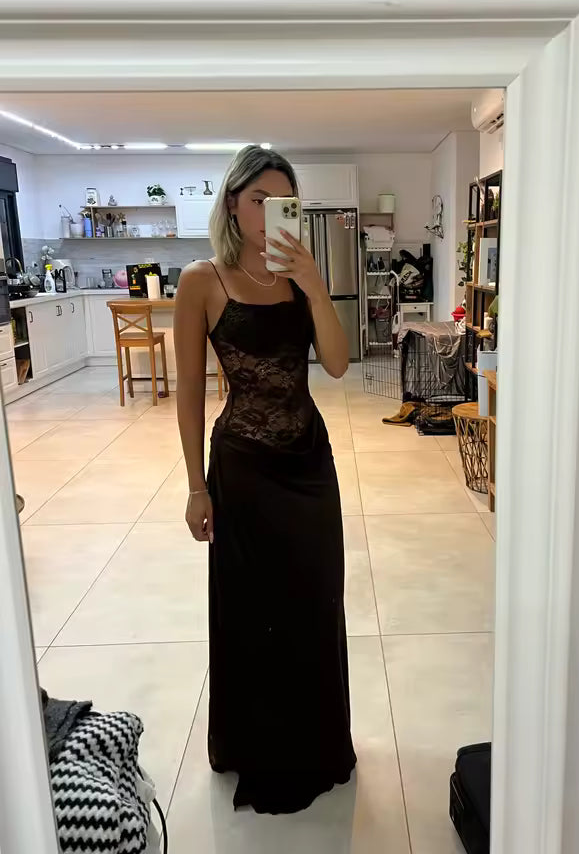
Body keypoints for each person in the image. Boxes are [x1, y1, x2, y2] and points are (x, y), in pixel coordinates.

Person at [174, 145, 357, 815]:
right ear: (233, 204)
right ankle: (256, 744)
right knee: (253, 610)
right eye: (259, 200)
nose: (271, 213)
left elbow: (336, 364)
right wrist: (196, 486)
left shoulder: (299, 277)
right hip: (242, 469)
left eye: (285, 203)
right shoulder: (202, 280)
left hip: (309, 463)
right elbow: (188, 392)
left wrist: (314, 283)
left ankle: (318, 741)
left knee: (315, 600)